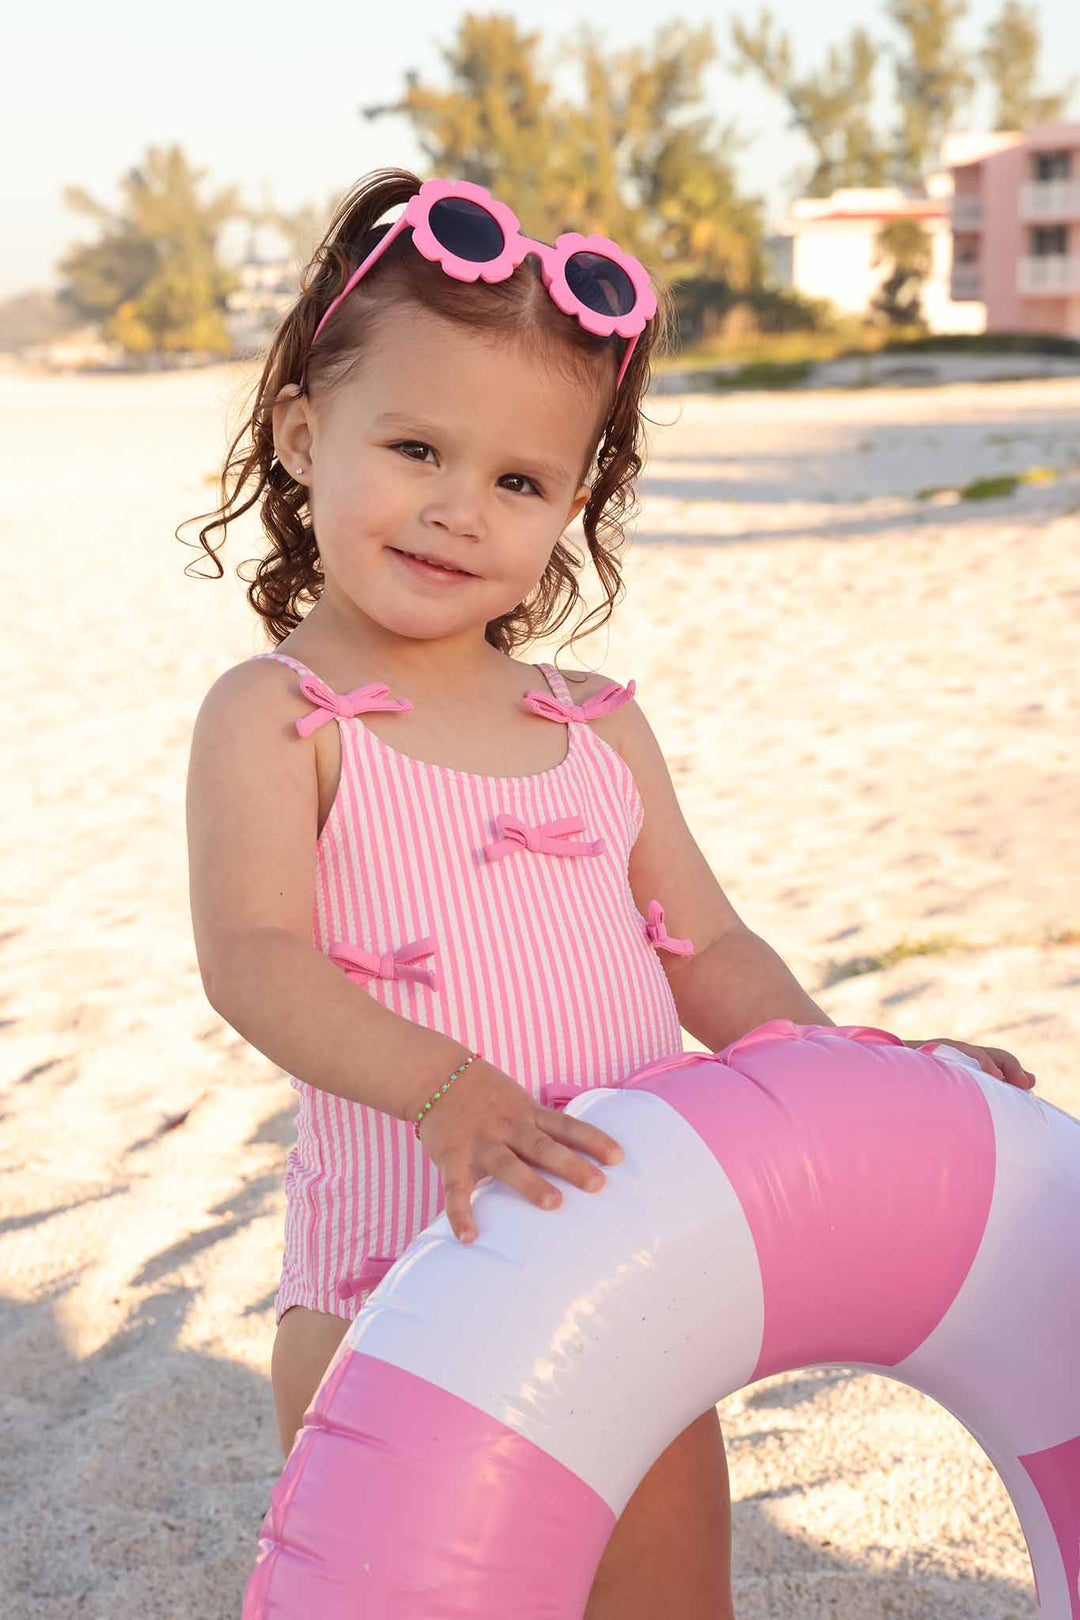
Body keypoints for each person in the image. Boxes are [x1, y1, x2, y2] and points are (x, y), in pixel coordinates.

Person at [183, 167, 1036, 1619]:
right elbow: (256, 960)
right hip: (398, 1290)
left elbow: (711, 951)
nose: (462, 510)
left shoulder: (592, 723)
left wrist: (874, 1081)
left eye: (518, 481)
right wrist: (454, 1094)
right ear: (302, 428)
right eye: (416, 448)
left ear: (572, 503)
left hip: (637, 1290)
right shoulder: (282, 714)